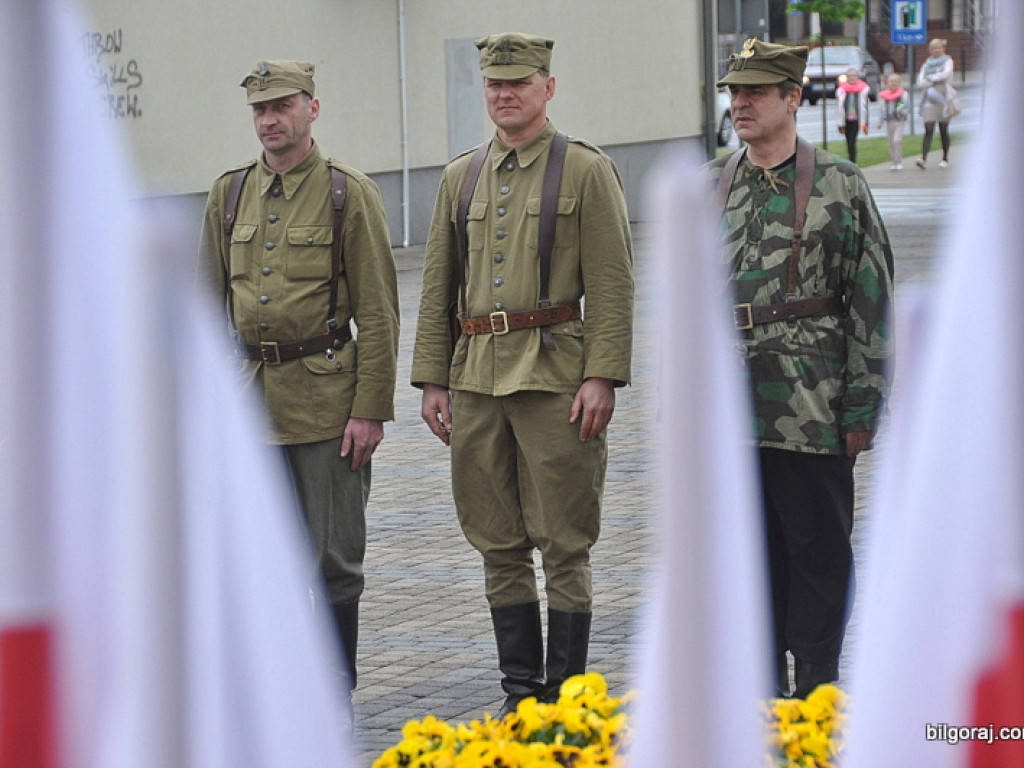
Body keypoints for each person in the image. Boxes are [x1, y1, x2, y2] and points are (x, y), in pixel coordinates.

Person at [411, 33, 634, 717]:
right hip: (476, 378)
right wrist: (431, 380)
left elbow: (613, 284)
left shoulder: (586, 171)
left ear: (548, 87)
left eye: (520, 82)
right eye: (494, 84)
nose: (505, 94)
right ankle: (519, 696)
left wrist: (603, 376)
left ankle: (565, 700)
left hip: (555, 380)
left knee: (565, 542)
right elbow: (436, 285)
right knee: (496, 541)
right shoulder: (462, 176)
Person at [196, 60, 400, 698]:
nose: (269, 119)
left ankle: (335, 686)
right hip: (248, 404)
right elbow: (204, 312)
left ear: (313, 108)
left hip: (326, 404)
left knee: (333, 560)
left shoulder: (347, 193)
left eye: (282, 105)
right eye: (259, 109)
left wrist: (370, 409)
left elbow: (379, 311)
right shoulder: (228, 194)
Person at [708, 39, 894, 699]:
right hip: (730, 412)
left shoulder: (841, 184)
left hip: (810, 409)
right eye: (735, 92)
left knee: (817, 556)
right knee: (746, 560)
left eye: (757, 91)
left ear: (793, 97)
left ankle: (817, 687)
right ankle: (757, 693)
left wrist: (864, 408)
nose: (742, 104)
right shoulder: (714, 182)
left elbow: (870, 301)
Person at [916, 38, 956, 169]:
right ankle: (923, 158)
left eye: (938, 48)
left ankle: (945, 157)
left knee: (943, 128)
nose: (936, 50)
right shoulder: (926, 64)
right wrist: (929, 81)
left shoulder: (948, 61)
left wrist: (931, 78)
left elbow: (945, 75)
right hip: (929, 98)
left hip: (943, 97)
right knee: (928, 128)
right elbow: (921, 81)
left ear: (943, 49)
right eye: (933, 48)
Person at [835, 67, 870, 164]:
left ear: (858, 77)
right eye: (849, 76)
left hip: (856, 120)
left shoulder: (863, 90)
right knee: (848, 141)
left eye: (854, 75)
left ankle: (852, 161)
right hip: (846, 120)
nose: (852, 78)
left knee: (852, 140)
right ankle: (851, 159)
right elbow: (839, 109)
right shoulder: (842, 91)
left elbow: (865, 108)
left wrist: (866, 123)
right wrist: (840, 125)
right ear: (846, 77)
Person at [877, 72, 908, 171]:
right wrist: (880, 122)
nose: (893, 83)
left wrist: (901, 112)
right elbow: (881, 110)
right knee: (891, 142)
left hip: (899, 120)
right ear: (887, 83)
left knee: (896, 140)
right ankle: (894, 162)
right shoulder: (884, 96)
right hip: (889, 121)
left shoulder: (903, 94)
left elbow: (906, 107)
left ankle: (899, 161)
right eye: (891, 81)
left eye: (895, 81)